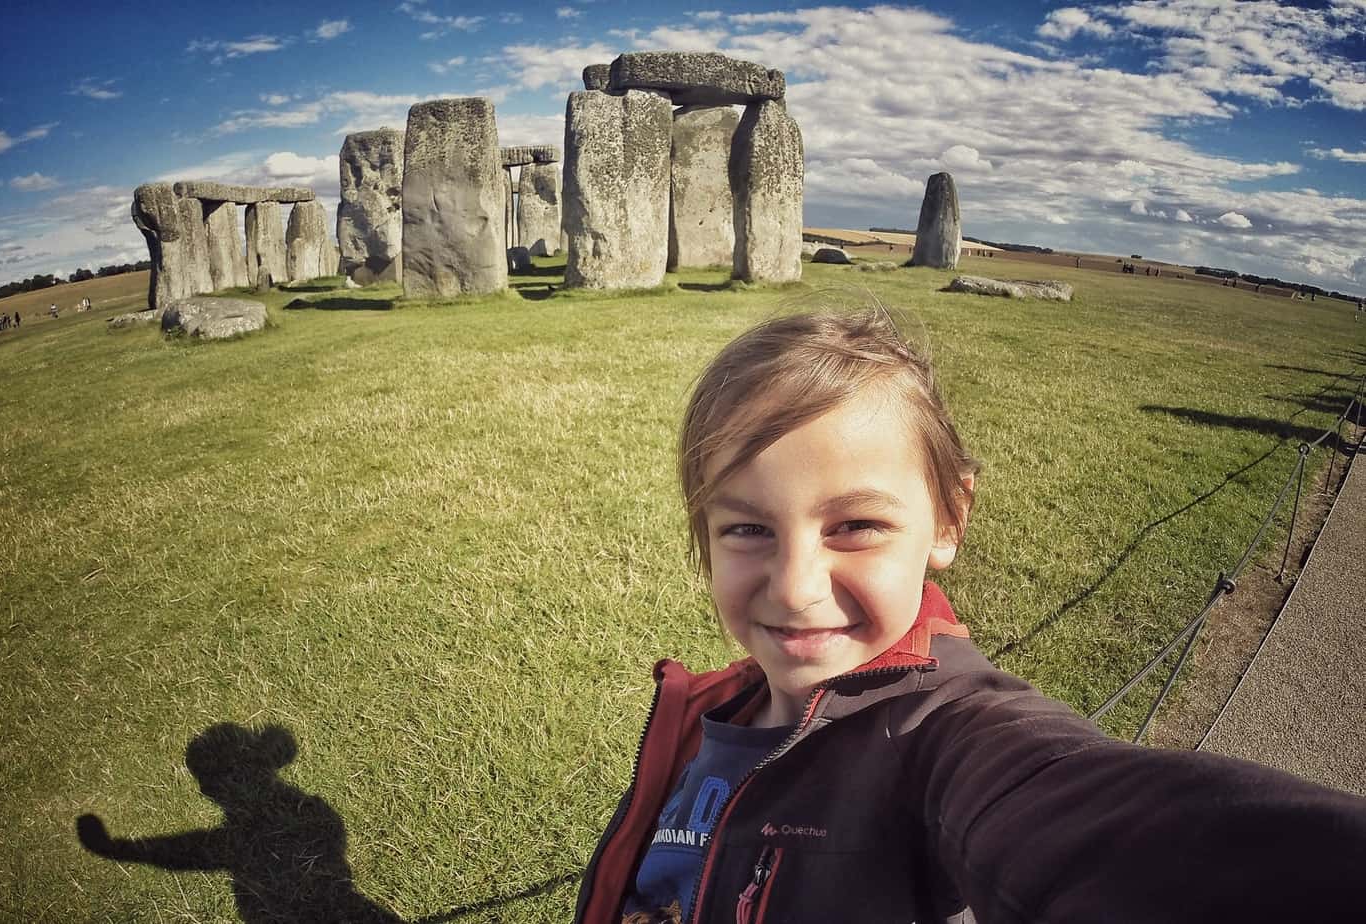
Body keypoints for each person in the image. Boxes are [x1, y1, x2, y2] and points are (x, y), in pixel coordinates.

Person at [575, 308, 1366, 924]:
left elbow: (1079, 810)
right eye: (746, 528)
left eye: (854, 526)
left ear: (948, 519)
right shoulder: (706, 710)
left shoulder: (950, 737)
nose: (794, 587)